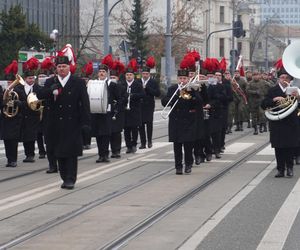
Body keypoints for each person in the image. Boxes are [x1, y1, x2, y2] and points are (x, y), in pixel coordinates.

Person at [37, 54, 90, 189]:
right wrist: (51, 90)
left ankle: (70, 179)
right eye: (59, 67)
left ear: (69, 67)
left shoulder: (77, 82)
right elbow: (39, 95)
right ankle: (64, 176)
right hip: (54, 122)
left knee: (71, 153)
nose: (61, 69)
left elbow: (84, 103)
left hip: (72, 122)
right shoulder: (50, 82)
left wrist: (86, 123)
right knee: (59, 152)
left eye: (64, 66)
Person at [161, 68, 204, 174]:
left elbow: (199, 102)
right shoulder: (172, 89)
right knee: (177, 146)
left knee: (188, 145)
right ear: (177, 79)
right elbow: (164, 101)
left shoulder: (192, 89)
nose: (182, 80)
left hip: (188, 121)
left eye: (184, 78)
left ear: (188, 79)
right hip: (175, 121)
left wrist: (192, 94)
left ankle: (188, 164)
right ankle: (178, 166)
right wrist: (176, 95)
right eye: (180, 78)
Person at [261, 70, 300, 178]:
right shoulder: (272, 90)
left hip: (291, 123)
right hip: (277, 123)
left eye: (286, 78)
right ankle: (280, 169)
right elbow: (263, 104)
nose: (284, 80)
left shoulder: (294, 90)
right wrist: (274, 99)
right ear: (278, 79)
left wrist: (298, 97)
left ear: (290, 79)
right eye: (282, 77)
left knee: (290, 147)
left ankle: (290, 168)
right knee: (279, 148)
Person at [90, 63, 119, 163]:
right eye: (100, 72)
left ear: (107, 73)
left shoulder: (112, 84)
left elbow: (118, 98)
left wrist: (115, 108)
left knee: (106, 134)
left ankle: (105, 154)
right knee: (98, 134)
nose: (101, 73)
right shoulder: (93, 83)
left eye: (103, 72)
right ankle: (100, 155)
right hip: (96, 112)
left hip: (107, 113)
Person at [121, 61, 145, 153]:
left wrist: (132, 95)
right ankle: (128, 146)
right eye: (127, 75)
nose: (129, 76)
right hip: (125, 111)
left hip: (135, 110)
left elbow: (142, 94)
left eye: (130, 75)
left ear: (133, 76)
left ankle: (134, 144)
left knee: (134, 129)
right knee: (126, 130)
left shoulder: (138, 85)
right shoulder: (122, 84)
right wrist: (125, 97)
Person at [138, 59, 160, 149]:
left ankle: (150, 141)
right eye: (143, 74)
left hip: (149, 105)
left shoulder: (153, 82)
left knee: (149, 124)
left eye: (146, 74)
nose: (145, 75)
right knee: (141, 125)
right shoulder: (138, 81)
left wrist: (147, 88)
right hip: (140, 105)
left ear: (149, 74)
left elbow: (157, 93)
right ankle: (143, 142)